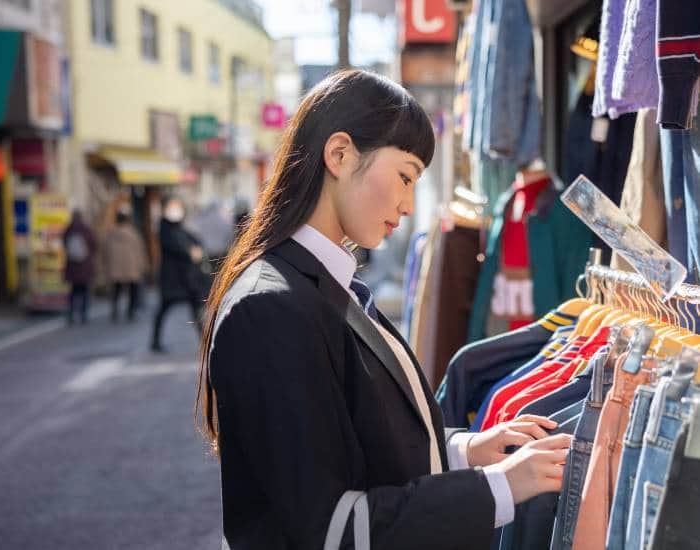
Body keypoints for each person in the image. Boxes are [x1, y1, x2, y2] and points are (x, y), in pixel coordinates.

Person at [196, 70, 572, 550]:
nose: (409, 203)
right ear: (339, 154)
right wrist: (500, 486)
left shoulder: (324, 284)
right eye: (404, 177)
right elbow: (328, 528)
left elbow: (360, 444)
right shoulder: (271, 306)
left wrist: (464, 450)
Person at [150, 197, 210, 352]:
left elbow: (195, 241)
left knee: (197, 309)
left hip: (188, 278)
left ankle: (204, 342)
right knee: (164, 308)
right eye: (172, 206)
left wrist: (196, 249)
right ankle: (155, 342)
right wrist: (190, 251)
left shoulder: (181, 227)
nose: (175, 209)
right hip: (172, 278)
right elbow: (175, 245)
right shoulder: (164, 228)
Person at [102, 209, 147, 322]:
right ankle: (130, 311)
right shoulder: (134, 234)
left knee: (116, 290)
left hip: (115, 268)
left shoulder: (110, 235)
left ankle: (115, 310)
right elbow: (140, 251)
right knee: (133, 290)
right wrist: (142, 266)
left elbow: (104, 253)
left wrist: (105, 268)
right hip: (131, 268)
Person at [62, 209, 96, 325]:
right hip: (85, 266)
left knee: (73, 291)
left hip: (72, 266)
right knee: (85, 291)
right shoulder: (86, 229)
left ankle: (71, 314)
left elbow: (64, 244)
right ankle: (83, 315)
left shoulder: (68, 230)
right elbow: (93, 245)